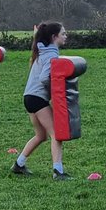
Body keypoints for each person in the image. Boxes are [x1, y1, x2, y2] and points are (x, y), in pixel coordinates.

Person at [10, 22, 71, 179]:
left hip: (29, 97)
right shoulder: (51, 54)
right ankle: (58, 171)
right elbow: (45, 77)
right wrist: (55, 90)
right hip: (38, 98)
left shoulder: (42, 51)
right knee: (56, 134)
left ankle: (19, 164)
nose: (66, 36)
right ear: (54, 37)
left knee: (41, 135)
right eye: (63, 34)